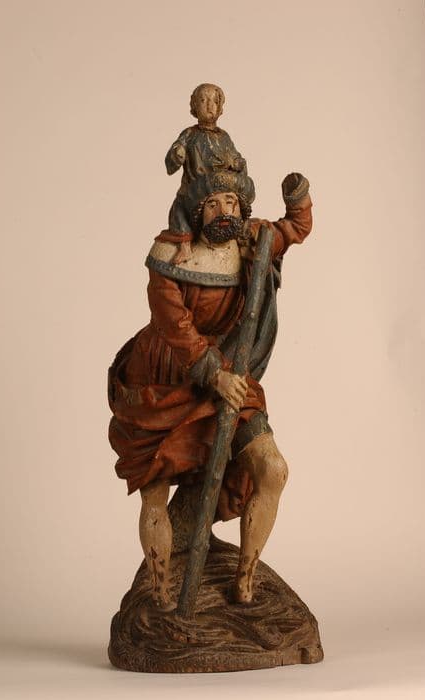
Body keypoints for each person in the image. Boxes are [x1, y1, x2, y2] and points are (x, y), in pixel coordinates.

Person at [108, 170, 312, 610]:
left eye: (231, 202)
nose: (224, 211)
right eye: (214, 203)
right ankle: (161, 595)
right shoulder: (170, 255)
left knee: (272, 470)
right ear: (196, 209)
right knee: (155, 489)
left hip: (230, 376)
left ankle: (245, 581)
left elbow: (296, 227)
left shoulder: (251, 240)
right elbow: (173, 325)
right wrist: (212, 373)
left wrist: (298, 195)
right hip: (165, 380)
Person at [164, 83, 251, 264]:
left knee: (236, 210)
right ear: (194, 106)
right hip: (194, 192)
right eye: (203, 100)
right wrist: (178, 154)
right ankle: (185, 246)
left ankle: (242, 240)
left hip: (221, 187)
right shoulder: (189, 134)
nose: (209, 105)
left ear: (220, 108)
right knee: (178, 211)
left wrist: (237, 162)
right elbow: (172, 161)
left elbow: (236, 158)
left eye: (214, 101)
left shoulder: (224, 137)